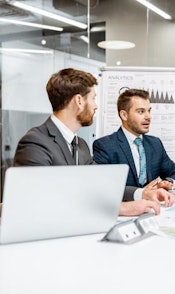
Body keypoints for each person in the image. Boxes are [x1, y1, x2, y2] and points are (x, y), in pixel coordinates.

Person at [13, 68, 161, 217]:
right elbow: (40, 201)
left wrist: (142, 193)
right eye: (93, 99)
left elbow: (100, 183)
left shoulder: (81, 144)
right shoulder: (35, 143)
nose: (96, 106)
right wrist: (120, 208)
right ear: (79, 101)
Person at [92, 88, 175, 202]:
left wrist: (168, 182)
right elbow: (103, 188)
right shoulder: (105, 145)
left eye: (149, 111)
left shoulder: (155, 144)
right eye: (141, 111)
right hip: (125, 213)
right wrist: (141, 193)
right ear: (124, 115)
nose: (148, 117)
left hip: (154, 211)